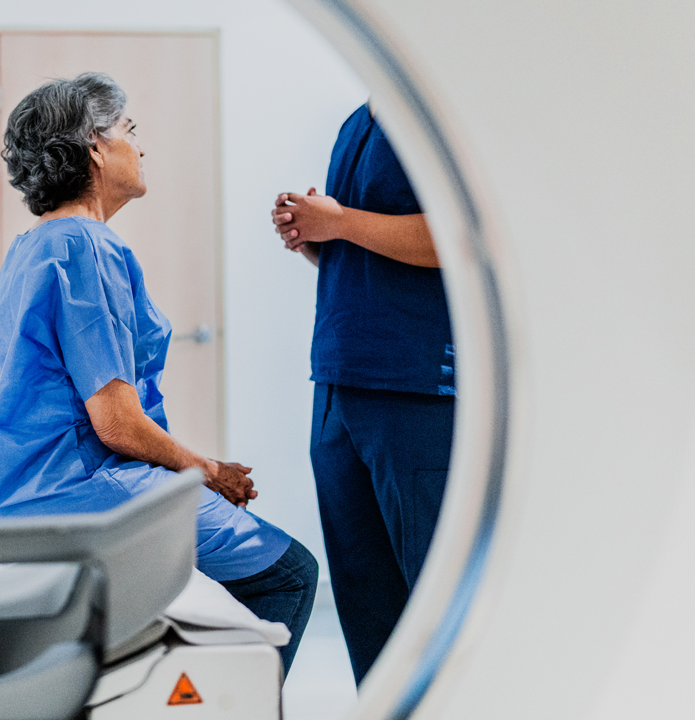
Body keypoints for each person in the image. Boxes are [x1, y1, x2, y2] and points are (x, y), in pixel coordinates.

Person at [0, 73, 318, 676]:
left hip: (9, 490)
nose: (140, 146)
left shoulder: (32, 246)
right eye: (128, 130)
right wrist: (208, 471)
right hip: (76, 489)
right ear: (94, 147)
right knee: (289, 574)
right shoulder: (85, 247)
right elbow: (117, 423)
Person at [270, 100, 455, 685]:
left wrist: (342, 221)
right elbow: (364, 252)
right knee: (364, 598)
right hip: (337, 384)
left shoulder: (440, 109)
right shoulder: (358, 121)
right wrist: (313, 237)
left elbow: (454, 238)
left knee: (433, 601)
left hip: (414, 390)